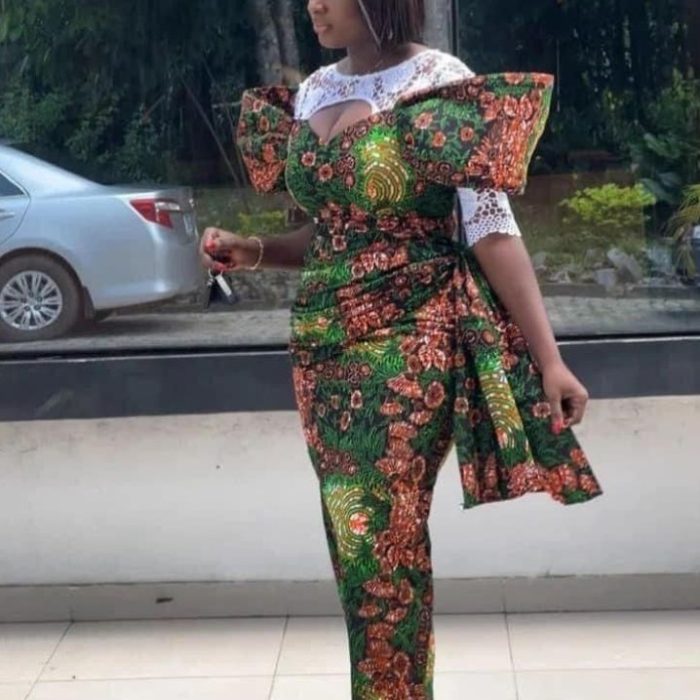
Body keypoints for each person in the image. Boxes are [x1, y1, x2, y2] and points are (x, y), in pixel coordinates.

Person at [200, 1, 604, 697]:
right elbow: (330, 232)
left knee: (381, 535)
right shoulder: (315, 90)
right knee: (354, 532)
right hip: (323, 349)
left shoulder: (438, 81)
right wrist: (253, 249)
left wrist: (550, 361)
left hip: (411, 341)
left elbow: (491, 231)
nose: (312, 4)